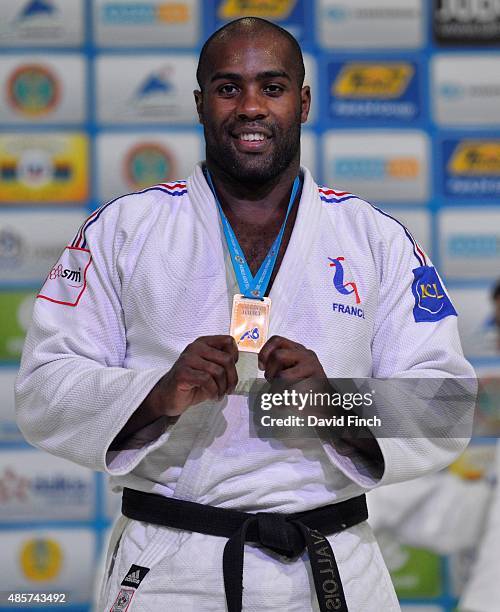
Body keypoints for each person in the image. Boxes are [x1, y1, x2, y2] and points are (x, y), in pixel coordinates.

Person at [15, 17, 475, 612]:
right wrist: (158, 395)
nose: (251, 106)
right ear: (200, 102)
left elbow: (446, 406)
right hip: (172, 568)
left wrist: (334, 402)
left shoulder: (373, 238)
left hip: (330, 566)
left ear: (304, 102)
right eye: (229, 88)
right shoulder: (125, 230)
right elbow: (42, 390)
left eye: (273, 87)